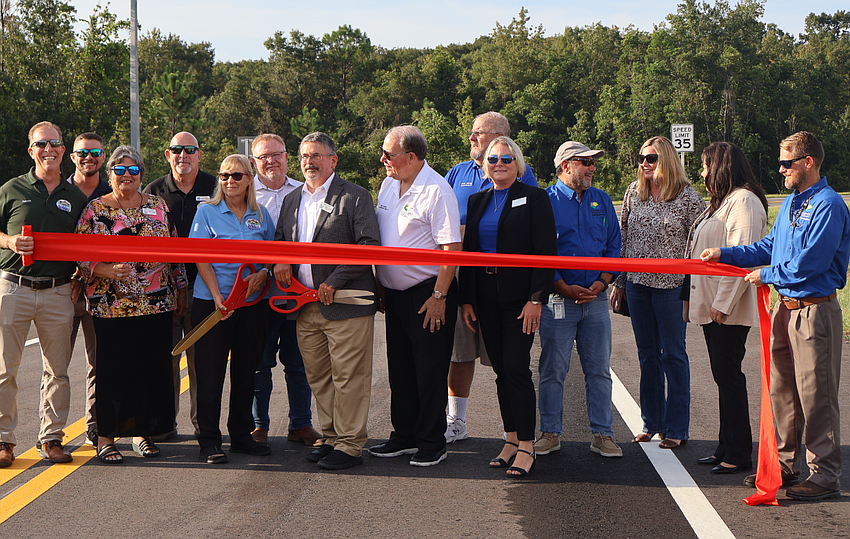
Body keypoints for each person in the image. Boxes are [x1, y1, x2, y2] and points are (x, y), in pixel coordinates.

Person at [702, 131, 849, 501]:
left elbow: (809, 264)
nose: (780, 168)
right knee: (782, 391)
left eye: (787, 162)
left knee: (816, 396)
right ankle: (785, 465)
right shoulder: (792, 202)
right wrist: (726, 254)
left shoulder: (828, 205)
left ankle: (825, 473)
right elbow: (770, 247)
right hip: (784, 308)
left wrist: (765, 274)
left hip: (814, 310)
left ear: (808, 163)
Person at [75, 145, 188, 464]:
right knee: (112, 371)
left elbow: (175, 251)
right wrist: (105, 269)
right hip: (110, 305)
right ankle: (107, 437)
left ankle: (142, 433)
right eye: (120, 170)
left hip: (156, 304)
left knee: (149, 369)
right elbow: (78, 253)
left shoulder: (158, 206)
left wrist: (180, 288)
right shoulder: (95, 210)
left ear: (142, 174)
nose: (127, 175)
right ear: (109, 174)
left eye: (134, 170)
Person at [274, 132, 380, 471]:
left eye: (317, 155)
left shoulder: (355, 196)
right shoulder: (292, 199)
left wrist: (334, 280)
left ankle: (350, 444)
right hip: (304, 306)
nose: (309, 162)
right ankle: (333, 436)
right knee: (319, 376)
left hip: (346, 303)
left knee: (349, 376)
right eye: (305, 156)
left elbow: (368, 246)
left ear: (333, 160)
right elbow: (280, 243)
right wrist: (280, 263)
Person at [459, 136, 556, 477]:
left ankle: (528, 445)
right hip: (485, 297)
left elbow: (546, 254)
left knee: (516, 369)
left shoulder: (535, 198)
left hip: (520, 300)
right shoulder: (477, 200)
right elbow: (469, 254)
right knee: (501, 370)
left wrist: (536, 299)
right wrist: (467, 298)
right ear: (484, 165)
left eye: (506, 159)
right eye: (493, 159)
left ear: (518, 164)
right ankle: (511, 439)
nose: (499, 164)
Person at [369, 126, 461, 467]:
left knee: (429, 370)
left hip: (427, 293)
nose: (383, 160)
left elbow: (451, 248)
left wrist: (440, 295)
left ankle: (431, 441)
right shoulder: (388, 185)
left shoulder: (437, 191)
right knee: (401, 370)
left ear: (411, 157)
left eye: (388, 155)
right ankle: (404, 435)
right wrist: (380, 283)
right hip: (393, 294)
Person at [443, 111, 538, 443]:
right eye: (472, 133)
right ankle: (456, 421)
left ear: (504, 137)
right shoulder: (457, 174)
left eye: (478, 133)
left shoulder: (526, 179)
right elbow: (444, 226)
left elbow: (535, 235)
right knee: (461, 351)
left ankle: (517, 433)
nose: (472, 139)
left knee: (510, 365)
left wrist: (535, 297)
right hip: (466, 281)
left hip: (512, 288)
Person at [0, 122, 87, 467]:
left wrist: (81, 275)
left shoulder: (76, 198)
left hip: (58, 291)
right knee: (6, 369)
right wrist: (8, 241)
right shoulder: (11, 189)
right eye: (41, 144)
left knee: (58, 371)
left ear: (64, 151)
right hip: (14, 288)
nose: (48, 149)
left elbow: (86, 246)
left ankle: (51, 439)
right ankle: (4, 441)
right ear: (31, 150)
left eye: (55, 144)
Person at [610, 135, 705, 449]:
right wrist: (620, 283)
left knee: (673, 355)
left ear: (666, 159)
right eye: (641, 158)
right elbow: (624, 238)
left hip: (671, 287)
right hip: (638, 285)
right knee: (647, 356)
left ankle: (677, 428)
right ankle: (652, 423)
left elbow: (699, 242)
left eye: (650, 158)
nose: (644, 164)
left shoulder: (687, 197)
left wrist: (695, 286)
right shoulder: (633, 193)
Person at [535, 141, 623, 459]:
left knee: (599, 370)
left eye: (593, 162)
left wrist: (602, 283)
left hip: (596, 301)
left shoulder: (600, 199)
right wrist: (561, 286)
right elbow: (540, 252)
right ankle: (549, 433)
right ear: (566, 166)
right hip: (560, 299)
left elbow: (614, 246)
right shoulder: (545, 201)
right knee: (553, 370)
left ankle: (603, 435)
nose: (592, 168)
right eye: (585, 162)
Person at [685, 142, 767, 475]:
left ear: (720, 167)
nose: (703, 173)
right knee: (723, 376)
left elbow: (741, 256)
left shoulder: (744, 202)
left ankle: (738, 451)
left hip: (727, 309)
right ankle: (725, 444)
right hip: (715, 306)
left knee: (729, 376)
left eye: (706, 166)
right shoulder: (725, 201)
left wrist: (722, 306)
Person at [190, 154, 275, 464]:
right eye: (224, 176)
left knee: (246, 373)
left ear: (249, 179)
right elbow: (200, 257)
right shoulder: (207, 212)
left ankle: (241, 435)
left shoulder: (261, 214)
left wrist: (263, 273)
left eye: (236, 176)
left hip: (251, 306)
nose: (229, 182)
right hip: (215, 304)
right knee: (210, 375)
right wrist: (217, 297)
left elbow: (271, 253)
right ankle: (209, 440)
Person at [144, 131, 217, 440]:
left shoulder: (215, 187)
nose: (183, 155)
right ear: (167, 154)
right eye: (177, 150)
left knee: (202, 364)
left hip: (205, 288)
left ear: (199, 154)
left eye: (189, 150)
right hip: (163, 290)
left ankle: (203, 426)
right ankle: (164, 425)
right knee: (164, 362)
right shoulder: (153, 191)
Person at [250, 134, 321, 448]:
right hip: (258, 294)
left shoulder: (304, 190)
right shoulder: (243, 190)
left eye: (276, 155)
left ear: (287, 157)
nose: (270, 161)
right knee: (259, 363)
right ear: (254, 161)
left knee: (298, 362)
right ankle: (258, 427)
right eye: (263, 157)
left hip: (297, 293)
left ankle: (301, 425)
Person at [66, 132, 112, 447]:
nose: (89, 157)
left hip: (103, 292)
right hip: (64, 291)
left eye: (95, 152)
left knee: (100, 363)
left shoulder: (113, 192)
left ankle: (95, 426)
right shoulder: (58, 191)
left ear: (103, 156)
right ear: (73, 157)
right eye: (83, 152)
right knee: (55, 365)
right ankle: (51, 434)